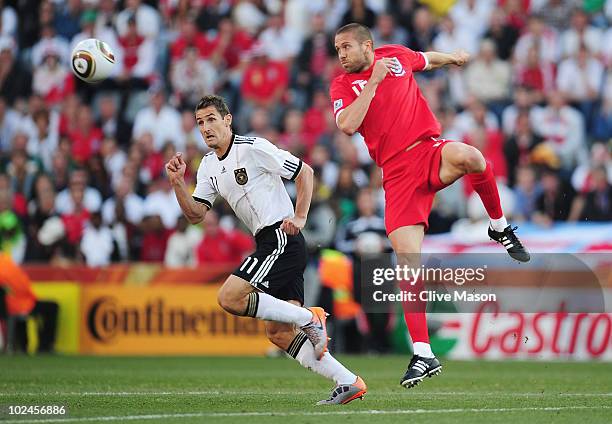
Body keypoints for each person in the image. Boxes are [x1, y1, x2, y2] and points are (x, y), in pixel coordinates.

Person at [330, 23, 530, 389]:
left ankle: (499, 226)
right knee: (408, 264)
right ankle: (423, 352)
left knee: (472, 156)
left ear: (367, 45)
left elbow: (426, 59)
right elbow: (346, 125)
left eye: (346, 47)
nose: (340, 54)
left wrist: (452, 58)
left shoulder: (396, 55)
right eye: (337, 49)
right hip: (396, 174)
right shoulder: (343, 85)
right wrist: (372, 82)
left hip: (428, 150)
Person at [165, 95, 366, 405]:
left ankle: (308, 317)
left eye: (211, 119)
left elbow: (305, 172)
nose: (205, 127)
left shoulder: (253, 148)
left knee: (229, 297)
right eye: (200, 122)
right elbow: (195, 215)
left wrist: (300, 216)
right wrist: (178, 183)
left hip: (281, 238)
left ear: (228, 119)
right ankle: (348, 381)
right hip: (268, 241)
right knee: (278, 333)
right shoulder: (207, 166)